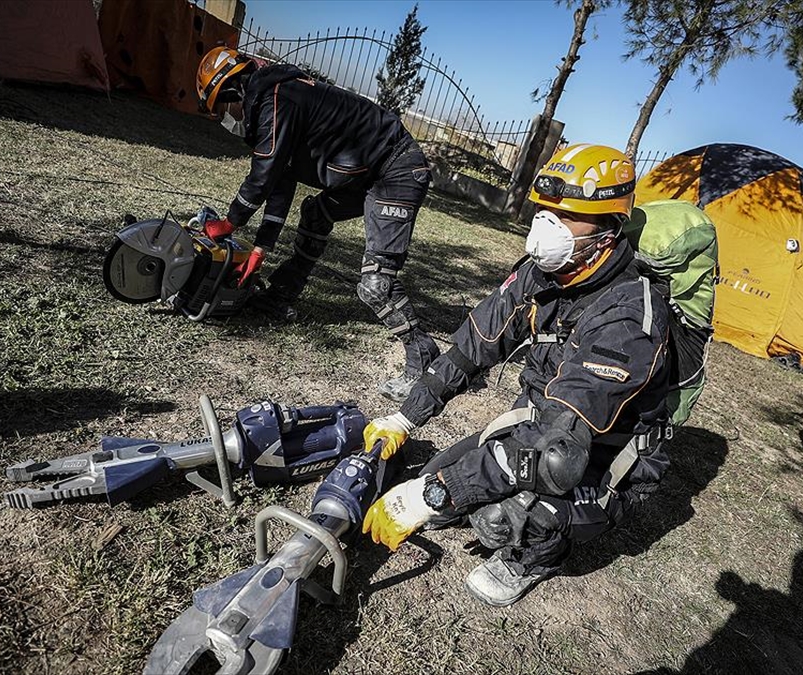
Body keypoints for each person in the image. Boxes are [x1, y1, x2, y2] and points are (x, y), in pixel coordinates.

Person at [360, 144, 675, 607]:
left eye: (566, 217)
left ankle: (536, 558)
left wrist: (433, 494)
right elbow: (473, 346)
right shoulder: (543, 274)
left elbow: (556, 450)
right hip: (539, 424)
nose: (546, 227)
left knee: (507, 515)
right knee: (442, 478)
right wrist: (406, 417)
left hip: (603, 460)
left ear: (608, 227)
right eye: (544, 211)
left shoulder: (629, 316)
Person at [194, 46, 440, 401]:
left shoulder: (277, 99)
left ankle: (422, 356)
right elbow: (280, 182)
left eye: (221, 110)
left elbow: (262, 175)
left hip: (395, 170)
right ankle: (281, 295)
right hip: (369, 171)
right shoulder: (275, 97)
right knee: (315, 213)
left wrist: (230, 223)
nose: (224, 119)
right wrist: (261, 247)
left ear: (233, 91)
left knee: (375, 285)